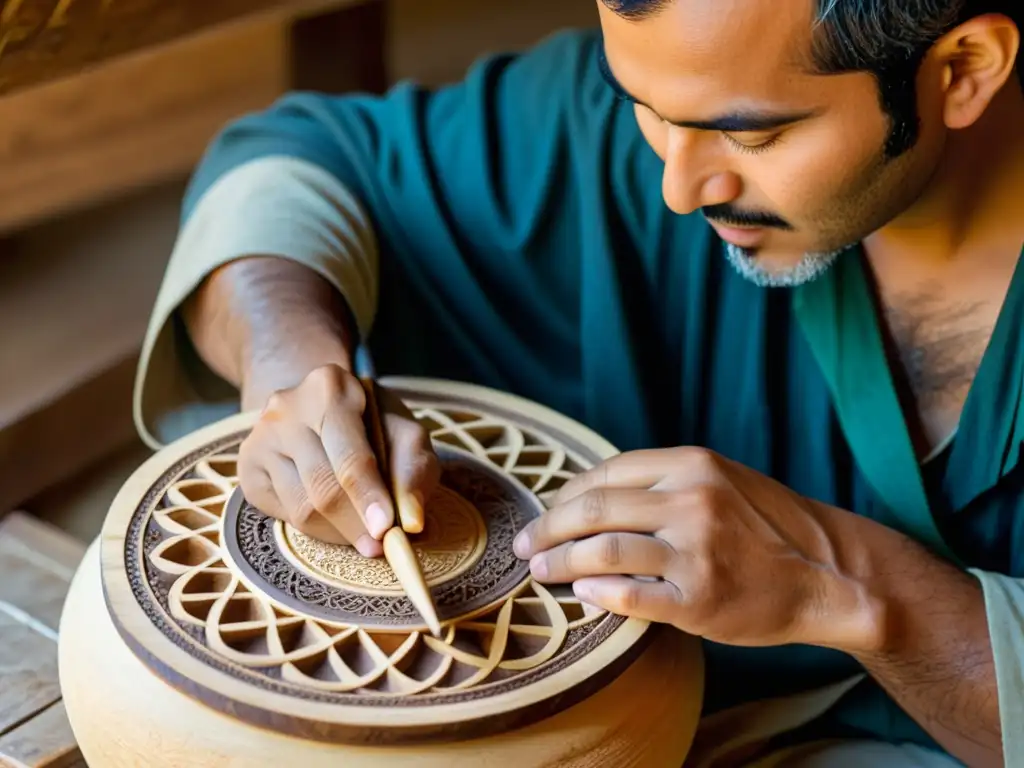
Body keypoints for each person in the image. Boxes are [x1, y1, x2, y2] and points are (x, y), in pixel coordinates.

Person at [133, 0, 1023, 765]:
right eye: (647, 106)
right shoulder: (641, 121)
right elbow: (296, 166)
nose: (679, 187)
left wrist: (846, 588)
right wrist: (294, 369)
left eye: (752, 133)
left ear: (962, 70)